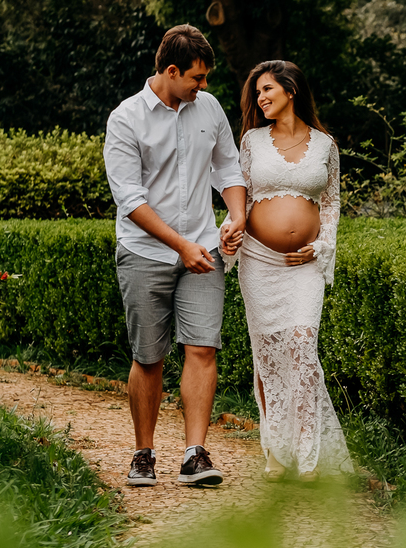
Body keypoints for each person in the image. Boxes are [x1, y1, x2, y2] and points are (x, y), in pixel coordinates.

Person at [104, 24, 247, 488]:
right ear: (170, 70)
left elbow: (228, 166)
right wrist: (179, 246)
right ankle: (143, 454)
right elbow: (130, 198)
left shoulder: (208, 109)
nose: (204, 87)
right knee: (149, 356)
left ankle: (195, 455)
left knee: (203, 347)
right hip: (145, 251)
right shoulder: (126, 119)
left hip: (203, 246)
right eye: (197, 78)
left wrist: (236, 214)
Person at [220, 60, 353, 480]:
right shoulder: (252, 142)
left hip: (305, 267)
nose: (260, 98)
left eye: (266, 89)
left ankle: (307, 456)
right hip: (260, 262)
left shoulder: (325, 145)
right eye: (257, 92)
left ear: (291, 89)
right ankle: (276, 453)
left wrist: (321, 245)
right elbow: (238, 200)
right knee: (268, 356)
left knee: (302, 346)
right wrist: (228, 228)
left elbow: (330, 205)